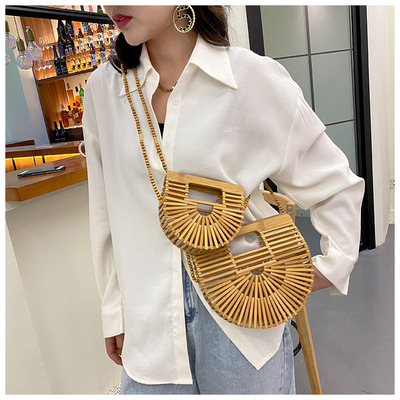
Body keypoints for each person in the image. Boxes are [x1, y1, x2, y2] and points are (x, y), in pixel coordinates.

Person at [82, 5, 364, 394]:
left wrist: (328, 268)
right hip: (149, 326)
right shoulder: (104, 90)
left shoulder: (250, 77)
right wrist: (114, 309)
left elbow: (334, 182)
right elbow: (105, 209)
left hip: (242, 322)